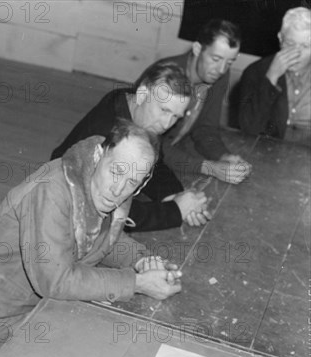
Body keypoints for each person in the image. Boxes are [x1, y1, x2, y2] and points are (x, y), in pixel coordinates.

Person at [0, 120, 183, 351]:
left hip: (46, 308)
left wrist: (141, 260)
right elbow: (55, 280)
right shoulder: (52, 190)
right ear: (99, 153)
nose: (118, 190)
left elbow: (102, 237)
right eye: (116, 172)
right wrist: (136, 283)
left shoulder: (115, 176)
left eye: (132, 183)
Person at [51, 62, 211, 231]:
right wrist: (174, 210)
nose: (167, 124)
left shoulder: (135, 108)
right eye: (164, 110)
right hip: (64, 212)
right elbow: (106, 210)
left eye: (175, 116)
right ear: (142, 95)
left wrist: (176, 195)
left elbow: (153, 163)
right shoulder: (106, 133)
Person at [151, 19, 252, 185]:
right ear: (197, 49)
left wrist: (223, 156)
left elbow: (205, 128)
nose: (221, 69)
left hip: (172, 155)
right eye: (216, 58)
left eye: (230, 62)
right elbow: (152, 144)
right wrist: (209, 167)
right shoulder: (166, 77)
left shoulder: (217, 74)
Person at [239, 7, 311, 143]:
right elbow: (247, 130)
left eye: (306, 46)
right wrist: (270, 79)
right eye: (290, 44)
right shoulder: (255, 72)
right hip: (267, 156)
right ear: (280, 38)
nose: (297, 53)